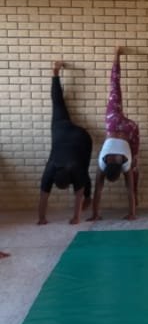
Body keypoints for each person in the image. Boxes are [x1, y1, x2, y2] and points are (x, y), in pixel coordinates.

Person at [38, 61, 92, 225]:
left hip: (81, 138)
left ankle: (89, 197)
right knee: (57, 103)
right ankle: (55, 73)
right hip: (62, 129)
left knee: (84, 171)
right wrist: (41, 218)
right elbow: (43, 197)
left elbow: (44, 196)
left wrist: (76, 218)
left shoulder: (54, 172)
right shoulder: (50, 168)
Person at [90, 47, 139, 221]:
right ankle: (116, 55)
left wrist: (95, 215)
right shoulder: (102, 162)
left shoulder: (124, 164)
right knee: (114, 87)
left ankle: (134, 210)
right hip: (114, 123)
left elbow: (98, 191)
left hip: (131, 129)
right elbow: (98, 191)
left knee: (135, 167)